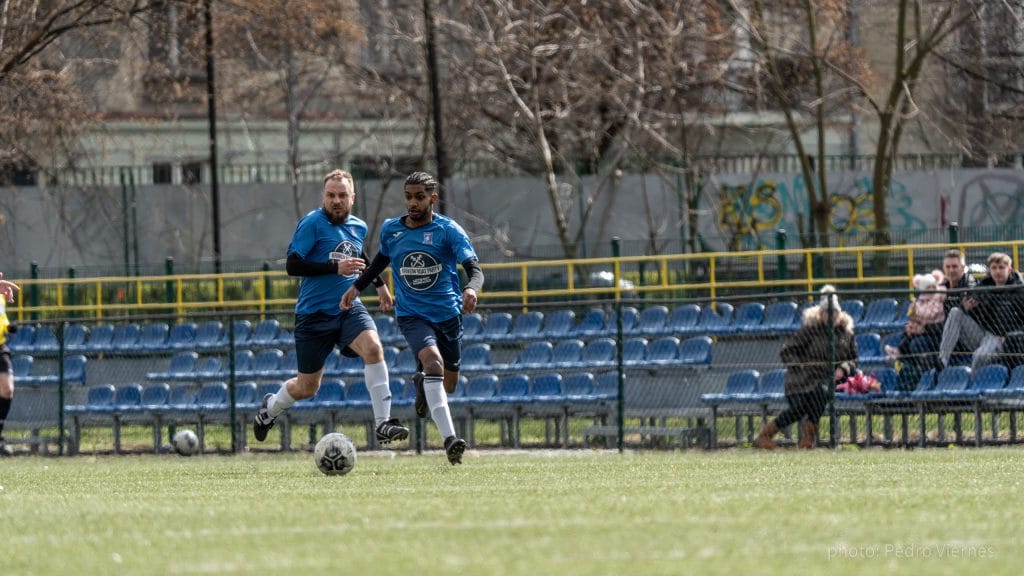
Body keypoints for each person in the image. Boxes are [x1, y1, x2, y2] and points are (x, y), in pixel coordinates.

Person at [254, 170, 409, 445]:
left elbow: (359, 254)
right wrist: (334, 267)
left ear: (353, 198)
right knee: (306, 387)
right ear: (323, 197)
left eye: (341, 195)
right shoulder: (312, 223)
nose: (336, 200)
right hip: (313, 316)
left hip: (348, 309)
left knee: (374, 348)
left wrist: (380, 283)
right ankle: (270, 409)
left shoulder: (359, 225)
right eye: (330, 195)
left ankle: (383, 423)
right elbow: (293, 265)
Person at [342, 171, 484, 465]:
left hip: (448, 315)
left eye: (419, 197)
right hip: (412, 316)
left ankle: (423, 385)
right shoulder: (392, 230)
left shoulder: (449, 231)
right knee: (433, 363)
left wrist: (471, 289)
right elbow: (381, 260)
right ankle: (450, 441)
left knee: (449, 383)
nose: (412, 203)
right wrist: (357, 287)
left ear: (433, 198)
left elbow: (475, 269)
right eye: (408, 196)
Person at [754, 285, 857, 449]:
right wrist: (799, 365)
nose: (830, 316)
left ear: (839, 314)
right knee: (800, 407)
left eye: (833, 312)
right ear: (820, 313)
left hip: (826, 379)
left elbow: (853, 359)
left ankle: (807, 439)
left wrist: (843, 368)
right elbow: (787, 350)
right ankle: (764, 436)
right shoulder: (810, 330)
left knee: (821, 394)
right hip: (800, 379)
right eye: (826, 312)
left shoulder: (846, 334)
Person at [937, 251, 1024, 370]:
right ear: (990, 271)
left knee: (979, 356)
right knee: (956, 311)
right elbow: (978, 317)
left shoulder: (1019, 290)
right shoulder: (983, 287)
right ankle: (942, 361)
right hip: (984, 334)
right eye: (994, 268)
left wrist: (1009, 336)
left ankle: (974, 385)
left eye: (1001, 267)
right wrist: (966, 309)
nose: (997, 271)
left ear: (1010, 270)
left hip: (1002, 338)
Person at [884, 270, 946, 365]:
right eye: (928, 287)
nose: (931, 289)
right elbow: (915, 314)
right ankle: (897, 351)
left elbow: (931, 314)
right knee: (908, 332)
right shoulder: (922, 299)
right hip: (923, 325)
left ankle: (900, 353)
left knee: (915, 340)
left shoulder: (938, 298)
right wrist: (913, 318)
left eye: (932, 286)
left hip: (934, 329)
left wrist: (917, 315)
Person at [0, 272, 21, 456]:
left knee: (7, 389)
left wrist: (8, 327)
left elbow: (1, 318)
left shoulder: (1, 295)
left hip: (0, 346)